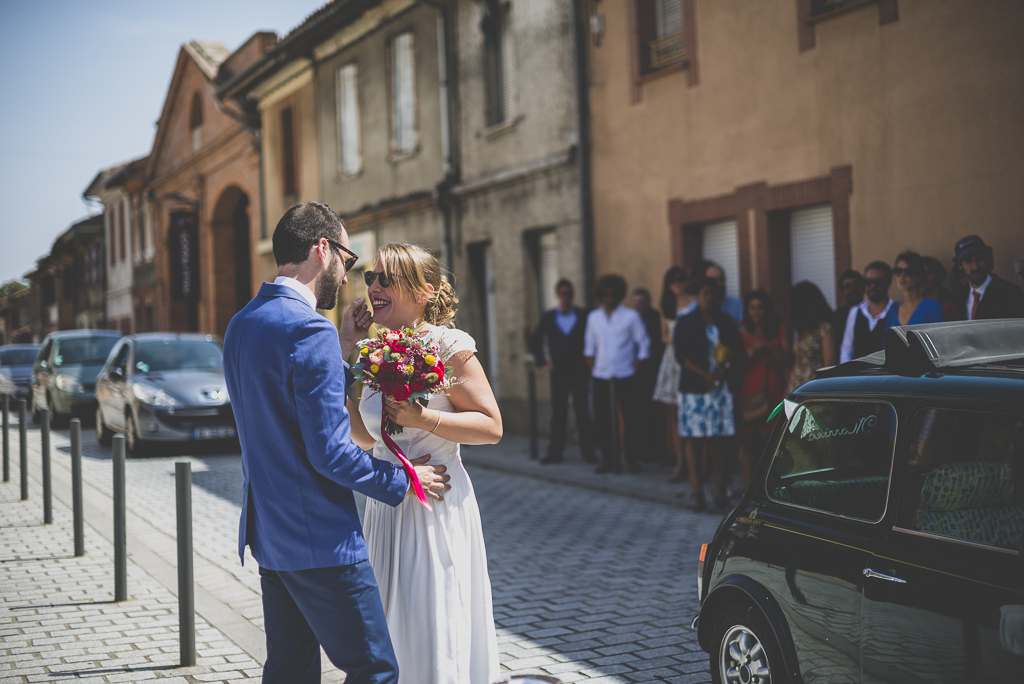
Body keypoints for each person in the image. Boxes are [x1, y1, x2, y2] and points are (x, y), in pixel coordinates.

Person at [222, 202, 451, 684]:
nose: (348, 278)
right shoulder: (308, 329)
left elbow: (284, 409)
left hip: (269, 534)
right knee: (375, 670)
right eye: (348, 261)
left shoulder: (242, 323)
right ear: (322, 249)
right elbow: (329, 451)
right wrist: (404, 478)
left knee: (290, 671)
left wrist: (343, 348)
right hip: (320, 539)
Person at [348, 242, 503, 684]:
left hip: (434, 505)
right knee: (390, 626)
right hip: (387, 506)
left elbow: (491, 427)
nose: (373, 286)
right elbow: (364, 435)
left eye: (386, 279)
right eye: (370, 277)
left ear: (423, 292)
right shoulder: (373, 351)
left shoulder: (449, 344)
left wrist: (425, 418)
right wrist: (346, 353)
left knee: (430, 621)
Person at [674, 276, 746, 512]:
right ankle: (696, 490)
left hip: (720, 387)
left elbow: (736, 349)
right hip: (694, 389)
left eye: (713, 293)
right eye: (705, 293)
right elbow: (680, 355)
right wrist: (703, 374)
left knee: (718, 440)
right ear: (698, 296)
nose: (710, 298)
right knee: (694, 438)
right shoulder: (685, 322)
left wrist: (722, 371)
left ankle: (719, 487)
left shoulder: (725, 320)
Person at [584, 274, 651, 474]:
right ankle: (608, 460)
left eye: (613, 294)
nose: (609, 298)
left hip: (626, 374)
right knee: (603, 420)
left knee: (631, 419)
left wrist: (635, 369)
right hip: (602, 375)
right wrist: (595, 369)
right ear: (601, 295)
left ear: (619, 294)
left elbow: (644, 344)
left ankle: (631, 459)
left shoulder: (631, 316)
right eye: (606, 294)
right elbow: (589, 348)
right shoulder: (593, 318)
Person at [528, 279, 596, 465]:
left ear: (572, 295)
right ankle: (555, 453)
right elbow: (535, 341)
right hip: (558, 372)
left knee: (583, 411)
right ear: (558, 295)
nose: (565, 296)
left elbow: (593, 338)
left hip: (580, 371)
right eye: (562, 293)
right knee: (559, 413)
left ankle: (589, 452)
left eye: (568, 293)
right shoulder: (549, 317)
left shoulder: (583, 315)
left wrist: (589, 360)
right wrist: (543, 362)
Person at [736, 290, 789, 488]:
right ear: (746, 311)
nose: (756, 312)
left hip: (773, 390)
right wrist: (748, 355)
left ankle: (771, 487)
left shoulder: (777, 330)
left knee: (772, 441)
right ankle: (748, 489)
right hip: (748, 391)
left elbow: (788, 359)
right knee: (747, 441)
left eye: (760, 307)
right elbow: (734, 365)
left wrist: (768, 348)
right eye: (752, 308)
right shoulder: (740, 332)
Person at [653, 267, 697, 483]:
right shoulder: (666, 307)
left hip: (690, 358)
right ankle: (681, 464)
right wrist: (675, 337)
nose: (677, 283)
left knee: (692, 413)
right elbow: (663, 337)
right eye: (672, 280)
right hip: (672, 360)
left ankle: (698, 464)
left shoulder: (695, 302)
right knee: (674, 416)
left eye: (680, 279)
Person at [951, 235, 1024, 320]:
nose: (975, 267)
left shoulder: (1010, 293)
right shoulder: (959, 297)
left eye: (979, 259)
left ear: (987, 260)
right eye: (968, 261)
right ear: (960, 266)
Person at [631, 287, 665, 461]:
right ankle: (641, 451)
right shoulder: (629, 318)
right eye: (637, 302)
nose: (640, 305)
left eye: (643, 302)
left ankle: (658, 451)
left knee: (656, 412)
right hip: (635, 372)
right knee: (639, 413)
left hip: (653, 370)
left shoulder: (655, 317)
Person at [839, 261, 895, 363]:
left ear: (888, 283)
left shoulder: (896, 311)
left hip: (885, 376)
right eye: (868, 282)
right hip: (857, 377)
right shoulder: (855, 312)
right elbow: (847, 349)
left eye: (878, 282)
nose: (872, 286)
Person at [788, 281, 838, 392]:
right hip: (796, 390)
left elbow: (829, 366)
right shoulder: (801, 331)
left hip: (812, 391)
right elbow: (797, 363)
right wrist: (786, 392)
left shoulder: (824, 330)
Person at [884, 251, 947, 329]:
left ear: (919, 276)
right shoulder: (893, 309)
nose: (902, 275)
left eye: (908, 272)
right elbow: (887, 340)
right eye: (898, 271)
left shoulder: (933, 307)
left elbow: (939, 339)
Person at [834, 269, 865, 341]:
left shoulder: (872, 314)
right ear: (841, 291)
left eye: (855, 285)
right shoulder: (836, 317)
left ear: (863, 288)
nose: (852, 289)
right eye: (847, 286)